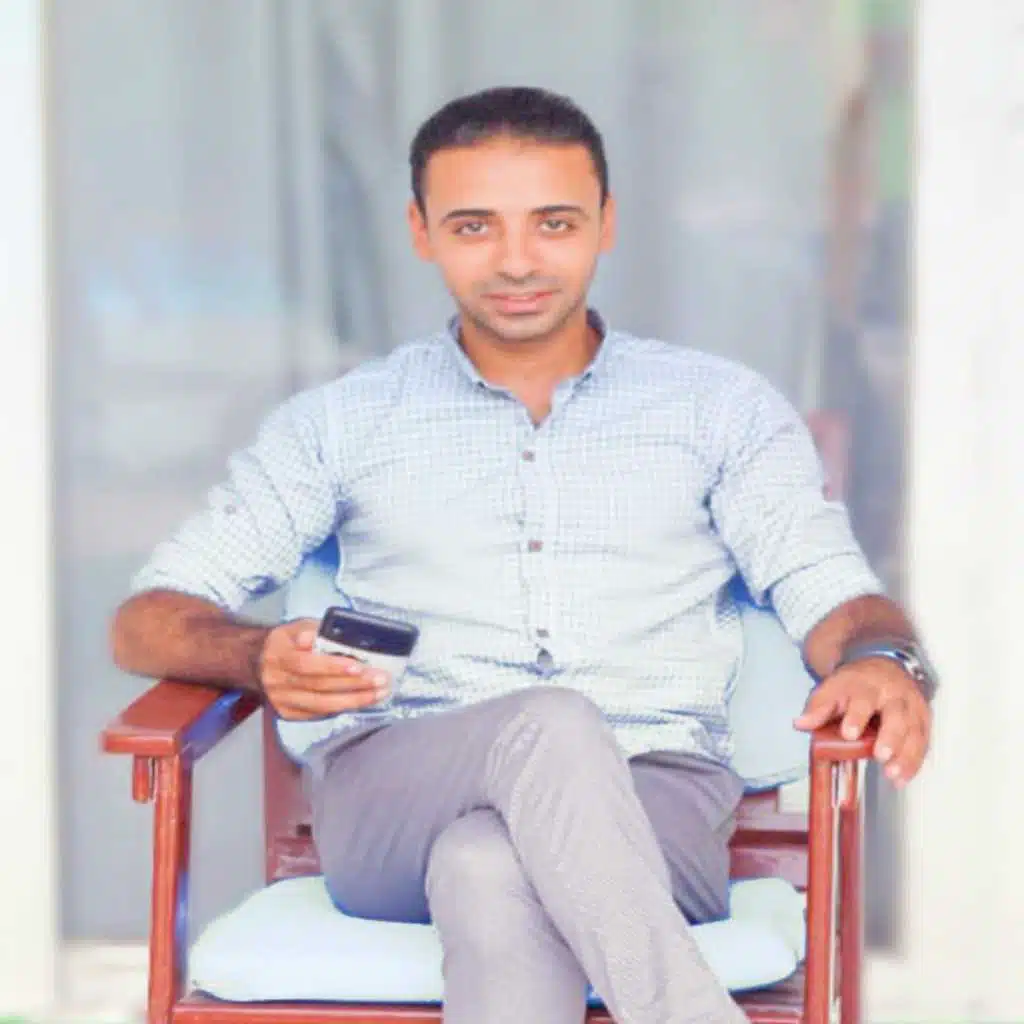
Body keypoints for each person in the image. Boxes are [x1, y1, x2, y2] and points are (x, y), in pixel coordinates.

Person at [111, 87, 934, 1024]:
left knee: (487, 862)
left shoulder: (720, 412)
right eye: (474, 226)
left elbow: (830, 591)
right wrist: (256, 655)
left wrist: (883, 659)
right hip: (393, 798)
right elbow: (147, 619)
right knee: (548, 723)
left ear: (605, 224)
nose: (516, 261)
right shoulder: (341, 424)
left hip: (657, 804)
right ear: (421, 232)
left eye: (553, 223)